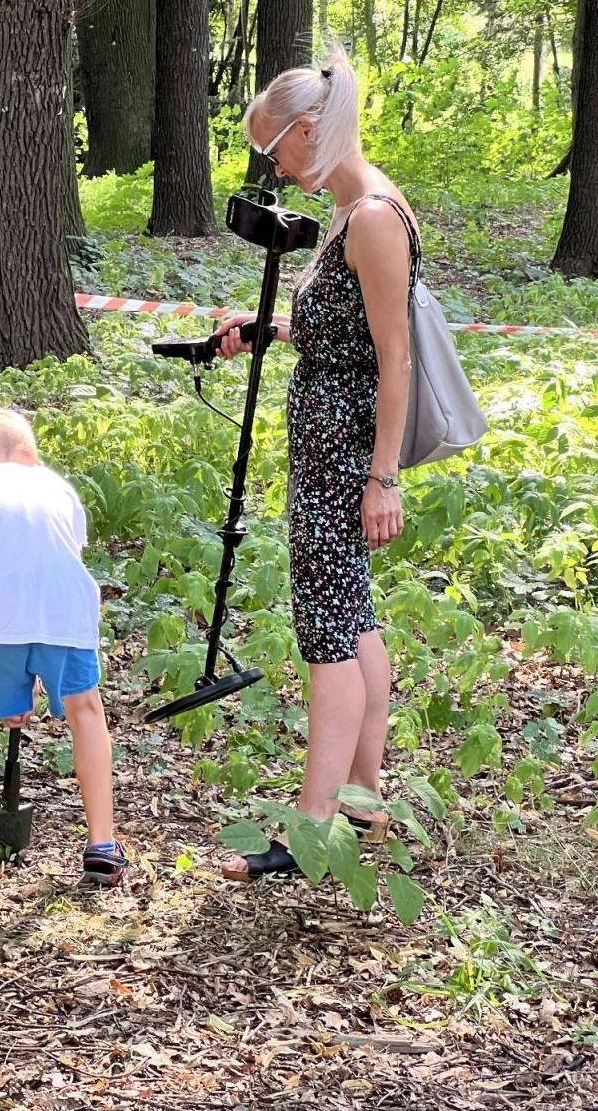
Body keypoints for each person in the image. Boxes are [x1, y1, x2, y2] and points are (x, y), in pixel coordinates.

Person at [211, 48, 419, 881]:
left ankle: (311, 829)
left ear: (307, 130)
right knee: (354, 619)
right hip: (331, 438)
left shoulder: (371, 214)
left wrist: (382, 476)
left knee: (328, 633)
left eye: (277, 149)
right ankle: (364, 808)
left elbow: (396, 359)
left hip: (347, 454)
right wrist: (273, 331)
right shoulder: (346, 212)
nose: (275, 166)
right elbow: (352, 339)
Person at [0, 410, 126, 889]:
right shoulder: (59, 489)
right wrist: (29, 679)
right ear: (33, 458)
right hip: (68, 612)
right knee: (86, 712)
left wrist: (9, 687)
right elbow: (55, 562)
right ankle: (103, 847)